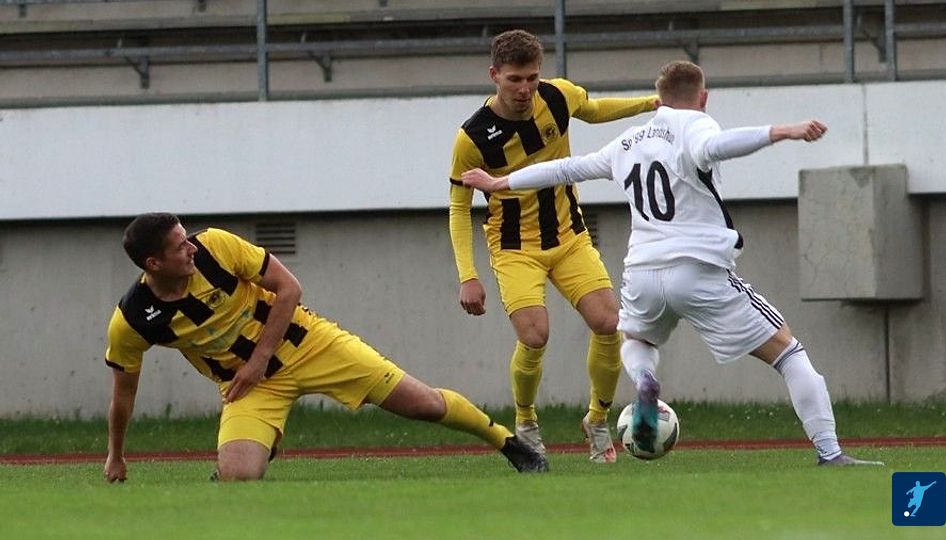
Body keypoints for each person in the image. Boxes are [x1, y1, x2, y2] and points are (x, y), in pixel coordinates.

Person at [461, 60, 884, 466]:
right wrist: (782, 131)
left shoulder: (629, 141)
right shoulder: (698, 125)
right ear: (704, 98)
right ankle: (830, 452)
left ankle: (645, 380)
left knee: (636, 341)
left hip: (643, 273)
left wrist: (501, 181)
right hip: (698, 269)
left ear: (658, 99)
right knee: (789, 353)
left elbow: (567, 168)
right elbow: (716, 146)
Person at [103, 213, 548, 482]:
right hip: (252, 387)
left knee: (424, 404)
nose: (191, 248)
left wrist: (258, 359)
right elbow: (123, 393)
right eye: (179, 246)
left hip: (310, 344)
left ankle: (507, 442)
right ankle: (258, 442)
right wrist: (116, 456)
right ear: (153, 263)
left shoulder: (215, 246)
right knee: (238, 477)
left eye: (187, 237)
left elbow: (289, 289)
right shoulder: (133, 318)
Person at [447, 29, 659, 463]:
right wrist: (468, 274)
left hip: (568, 237)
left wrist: (650, 104)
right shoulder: (472, 137)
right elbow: (458, 206)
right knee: (535, 335)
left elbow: (593, 110)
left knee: (609, 323)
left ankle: (597, 420)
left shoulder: (557, 95)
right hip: (514, 247)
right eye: (514, 79)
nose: (525, 89)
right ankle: (526, 422)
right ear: (494, 75)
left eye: (532, 78)